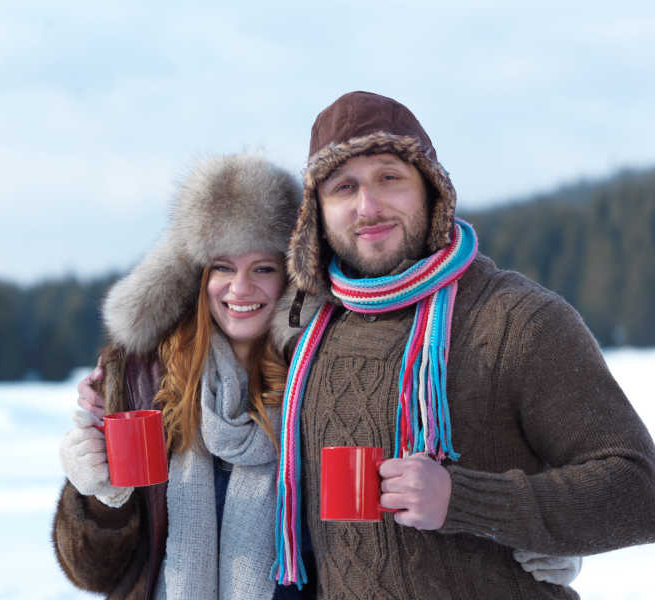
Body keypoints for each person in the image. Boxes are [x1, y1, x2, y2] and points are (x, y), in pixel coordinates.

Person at [269, 91, 655, 599]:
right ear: (317, 212)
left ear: (430, 189)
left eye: (389, 177)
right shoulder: (310, 337)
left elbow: (638, 491)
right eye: (343, 187)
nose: (368, 206)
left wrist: (466, 501)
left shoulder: (518, 320)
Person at [52, 154, 313, 599]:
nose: (240, 288)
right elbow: (95, 574)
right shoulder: (142, 378)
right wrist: (97, 497)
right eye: (223, 268)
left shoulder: (318, 378)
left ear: (291, 277)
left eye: (263, 268)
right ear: (197, 276)